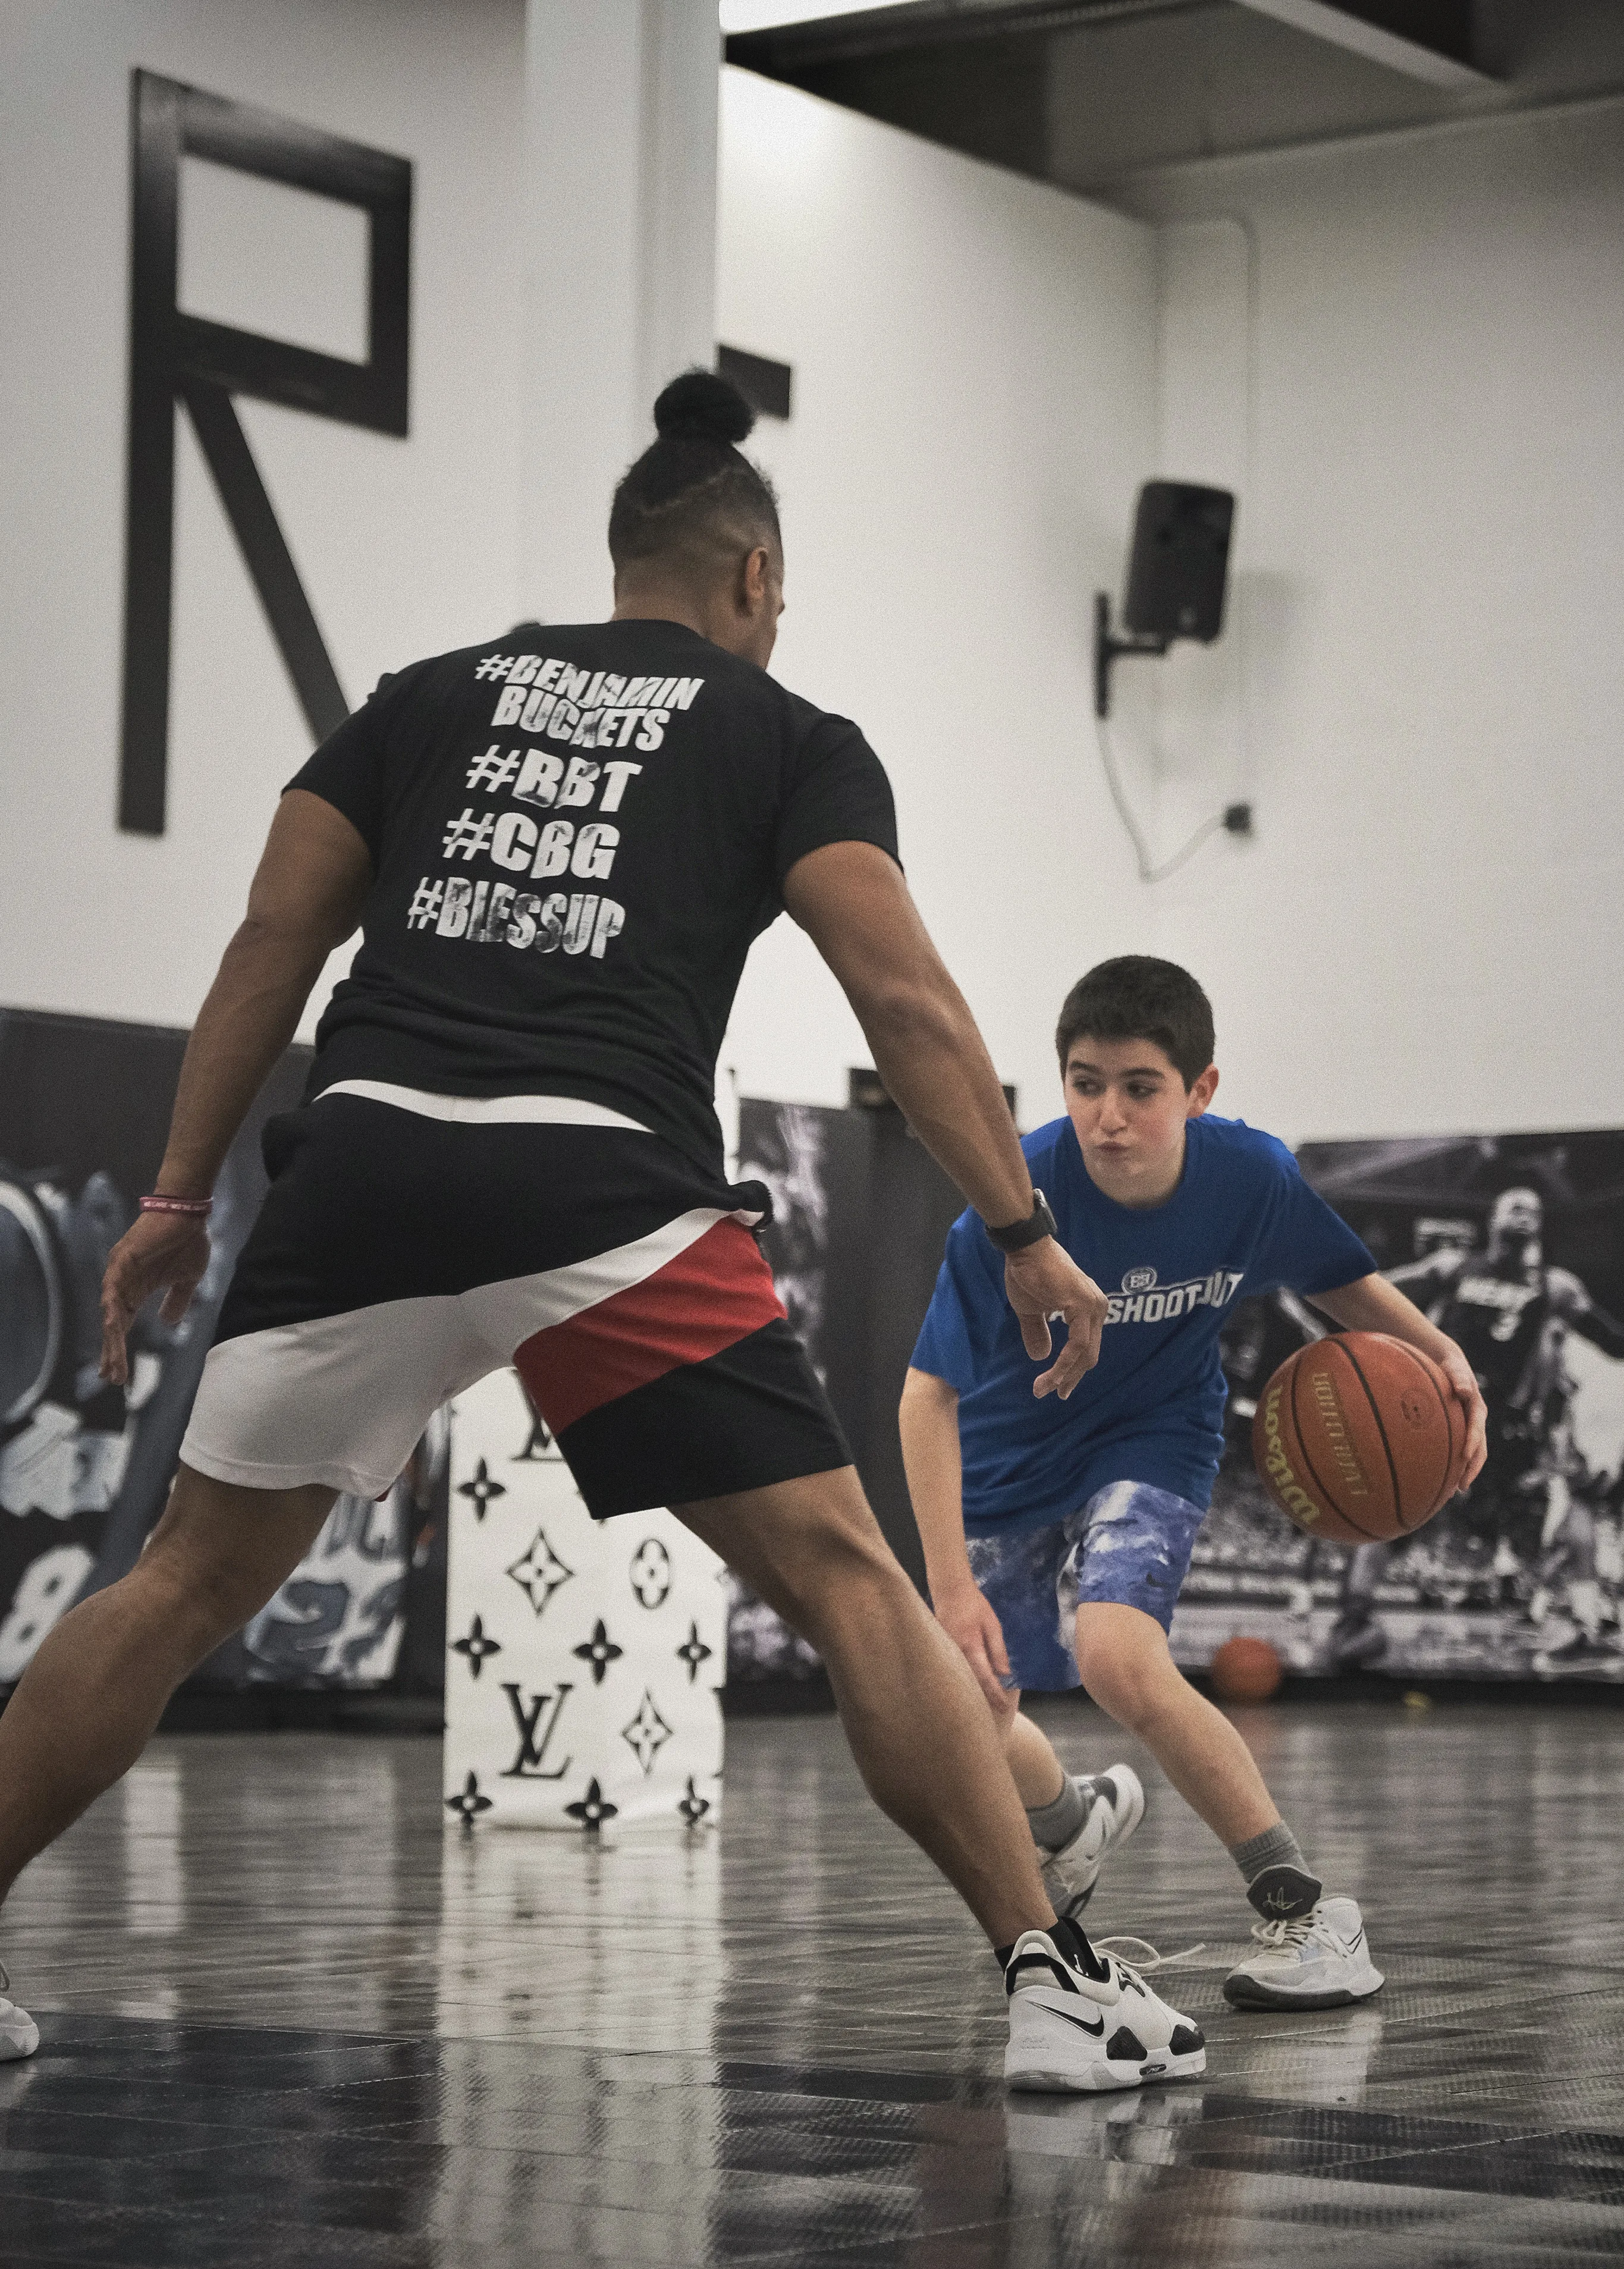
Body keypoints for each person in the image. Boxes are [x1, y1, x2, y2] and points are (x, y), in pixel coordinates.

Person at [0, 373, 1202, 2095]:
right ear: (757, 579)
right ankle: (1054, 1982)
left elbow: (268, 947)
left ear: (622, 556)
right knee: (845, 1581)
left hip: (363, 1175)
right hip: (598, 1194)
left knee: (180, 1581)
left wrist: (178, 1201)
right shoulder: (784, 737)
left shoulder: (421, 700)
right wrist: (1018, 1227)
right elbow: (906, 1004)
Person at [899, 956, 1488, 2010]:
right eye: (1085, 1084)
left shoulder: (1248, 1177)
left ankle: (1305, 1915)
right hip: (1006, 1449)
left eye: (1139, 1087)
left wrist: (1444, 1357)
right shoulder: (1011, 1200)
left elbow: (1337, 1282)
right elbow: (924, 1400)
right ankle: (1067, 1822)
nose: (1109, 1115)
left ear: (1199, 1089)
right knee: (967, 1703)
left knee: (1120, 1657)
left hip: (1153, 1432)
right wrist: (948, 1584)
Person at [1333, 1186, 1624, 1669]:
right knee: (1395, 1515)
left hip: (1509, 1430)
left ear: (1541, 1226)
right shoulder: (1452, 1266)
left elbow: (1613, 1342)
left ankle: (1581, 1623)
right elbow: (1376, 1292)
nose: (1524, 1215)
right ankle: (1353, 1619)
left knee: (1573, 1505)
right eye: (1514, 1206)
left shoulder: (1557, 1287)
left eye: (1533, 1210)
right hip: (1441, 1414)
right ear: (1493, 1217)